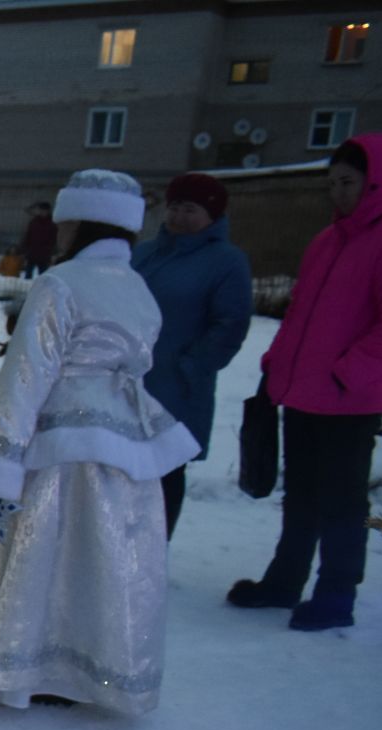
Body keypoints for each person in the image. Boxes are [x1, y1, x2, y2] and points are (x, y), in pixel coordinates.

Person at [0, 169, 200, 713]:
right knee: (103, 559)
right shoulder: (136, 287)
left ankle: (29, 664)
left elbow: (27, 373)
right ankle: (93, 672)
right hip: (125, 441)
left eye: (63, 224)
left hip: (59, 441)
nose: (56, 234)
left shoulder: (59, 284)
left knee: (46, 552)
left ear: (79, 223)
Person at [227, 135, 382, 631]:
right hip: (304, 395)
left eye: (348, 182)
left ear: (377, 183)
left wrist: (349, 372)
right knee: (300, 497)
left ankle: (337, 595)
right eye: (332, 183)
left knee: (342, 503)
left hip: (349, 400)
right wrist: (278, 362)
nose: (338, 192)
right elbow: (301, 313)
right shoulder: (326, 240)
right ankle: (284, 581)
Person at [131, 172, 253, 538]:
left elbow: (230, 325)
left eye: (191, 209)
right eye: (174, 208)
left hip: (178, 387)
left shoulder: (226, 262)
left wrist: (190, 365)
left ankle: (151, 557)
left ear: (212, 216)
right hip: (128, 381)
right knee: (124, 467)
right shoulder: (143, 253)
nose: (179, 217)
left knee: (166, 470)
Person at [21, 201, 56, 277]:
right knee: (28, 274)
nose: (42, 212)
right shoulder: (34, 222)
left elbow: (54, 238)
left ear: (48, 211)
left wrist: (50, 250)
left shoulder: (52, 223)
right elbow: (28, 236)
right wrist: (25, 248)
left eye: (44, 210)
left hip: (44, 253)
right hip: (32, 251)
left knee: (43, 274)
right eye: (41, 210)